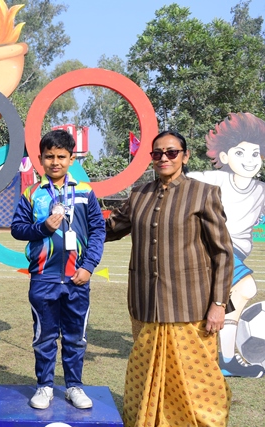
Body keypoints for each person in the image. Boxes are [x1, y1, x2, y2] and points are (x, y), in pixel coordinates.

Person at [106, 130, 233, 426]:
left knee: (198, 383)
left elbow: (223, 253)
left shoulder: (204, 193)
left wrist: (218, 304)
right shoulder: (139, 194)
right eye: (157, 153)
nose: (164, 158)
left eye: (171, 152)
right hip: (146, 305)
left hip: (191, 306)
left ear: (185, 157)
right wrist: (75, 217)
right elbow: (110, 229)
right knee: (146, 377)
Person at [11, 129, 105, 410]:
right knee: (44, 337)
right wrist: (42, 228)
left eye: (61, 157)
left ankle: (74, 386)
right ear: (40, 159)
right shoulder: (32, 193)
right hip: (44, 278)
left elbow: (98, 230)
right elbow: (17, 229)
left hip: (78, 278)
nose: (55, 162)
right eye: (49, 156)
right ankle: (44, 386)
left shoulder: (85, 192)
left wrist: (89, 267)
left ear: (71, 158)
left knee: (76, 338)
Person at [188, 113, 265, 378]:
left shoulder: (261, 191)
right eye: (240, 153)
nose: (249, 160)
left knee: (229, 299)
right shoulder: (211, 179)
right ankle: (223, 358)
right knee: (245, 288)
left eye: (255, 154)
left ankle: (224, 357)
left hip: (236, 253)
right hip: (211, 247)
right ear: (224, 156)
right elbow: (179, 181)